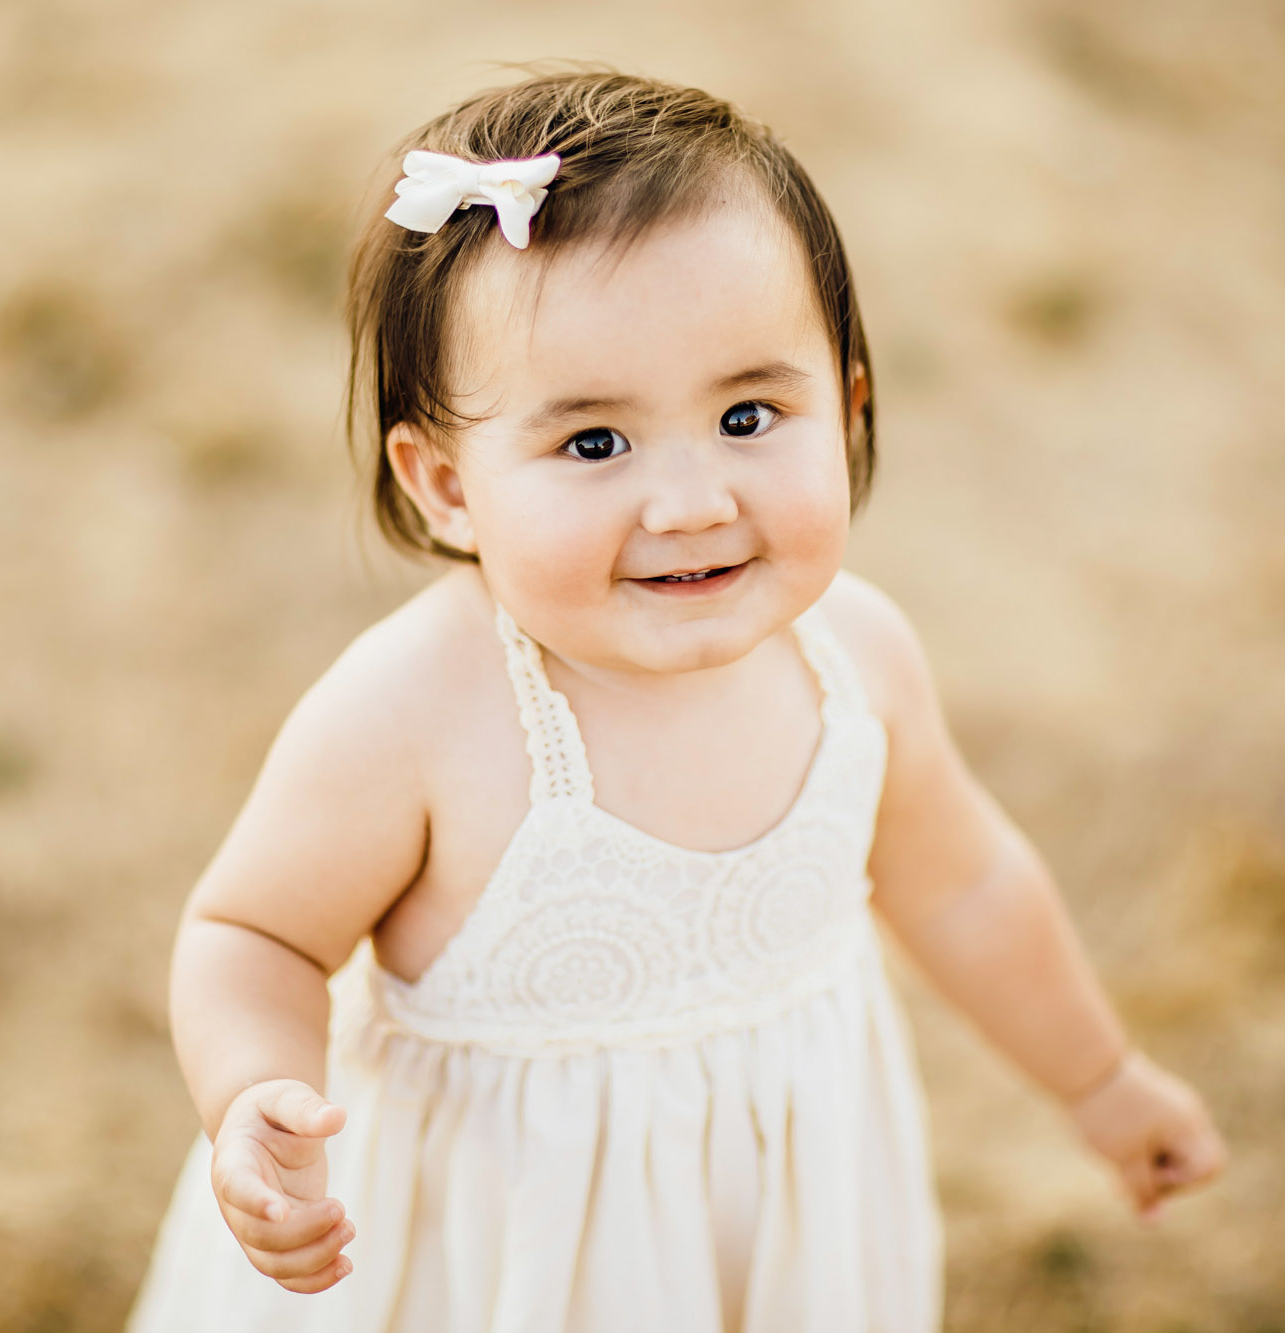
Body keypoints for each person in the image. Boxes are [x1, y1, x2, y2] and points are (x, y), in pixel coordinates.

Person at [125, 67, 1227, 1333]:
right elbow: (253, 935)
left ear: (849, 403)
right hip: (486, 1263)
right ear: (444, 485)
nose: (692, 499)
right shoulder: (417, 712)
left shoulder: (854, 659)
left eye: (749, 414)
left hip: (772, 1233)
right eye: (594, 444)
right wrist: (255, 1093)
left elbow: (965, 883)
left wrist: (1095, 1081)